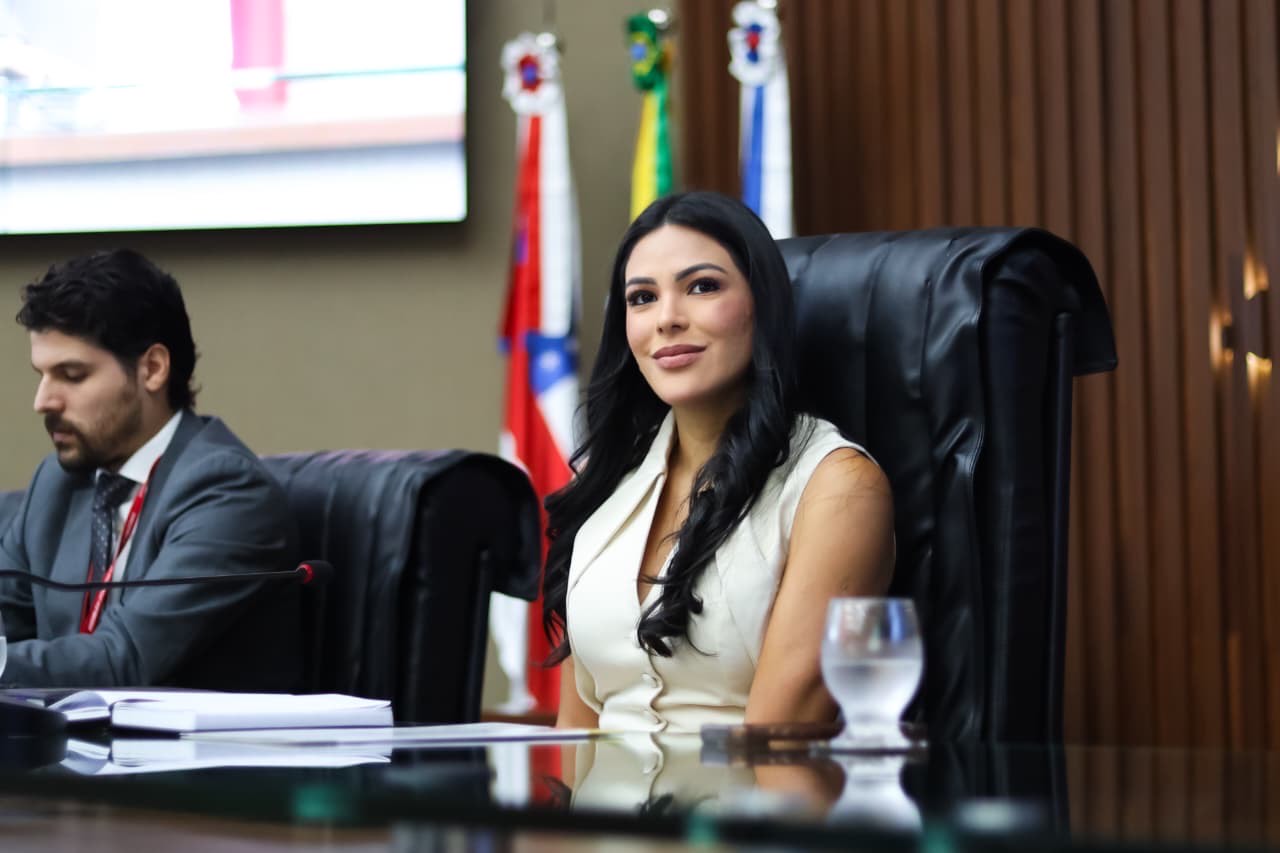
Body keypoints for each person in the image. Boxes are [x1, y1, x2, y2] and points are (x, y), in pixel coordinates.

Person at [544, 191, 895, 733]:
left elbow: (778, 739)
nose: (667, 319)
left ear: (763, 304)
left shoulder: (838, 487)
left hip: (746, 810)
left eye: (702, 287)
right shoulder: (606, 481)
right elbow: (575, 737)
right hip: (603, 816)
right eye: (642, 298)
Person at [0, 249, 302, 689]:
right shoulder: (58, 483)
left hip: (200, 757)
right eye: (41, 375)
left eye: (72, 375)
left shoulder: (226, 493)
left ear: (153, 369)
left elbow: (125, 659)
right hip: (73, 751)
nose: (43, 401)